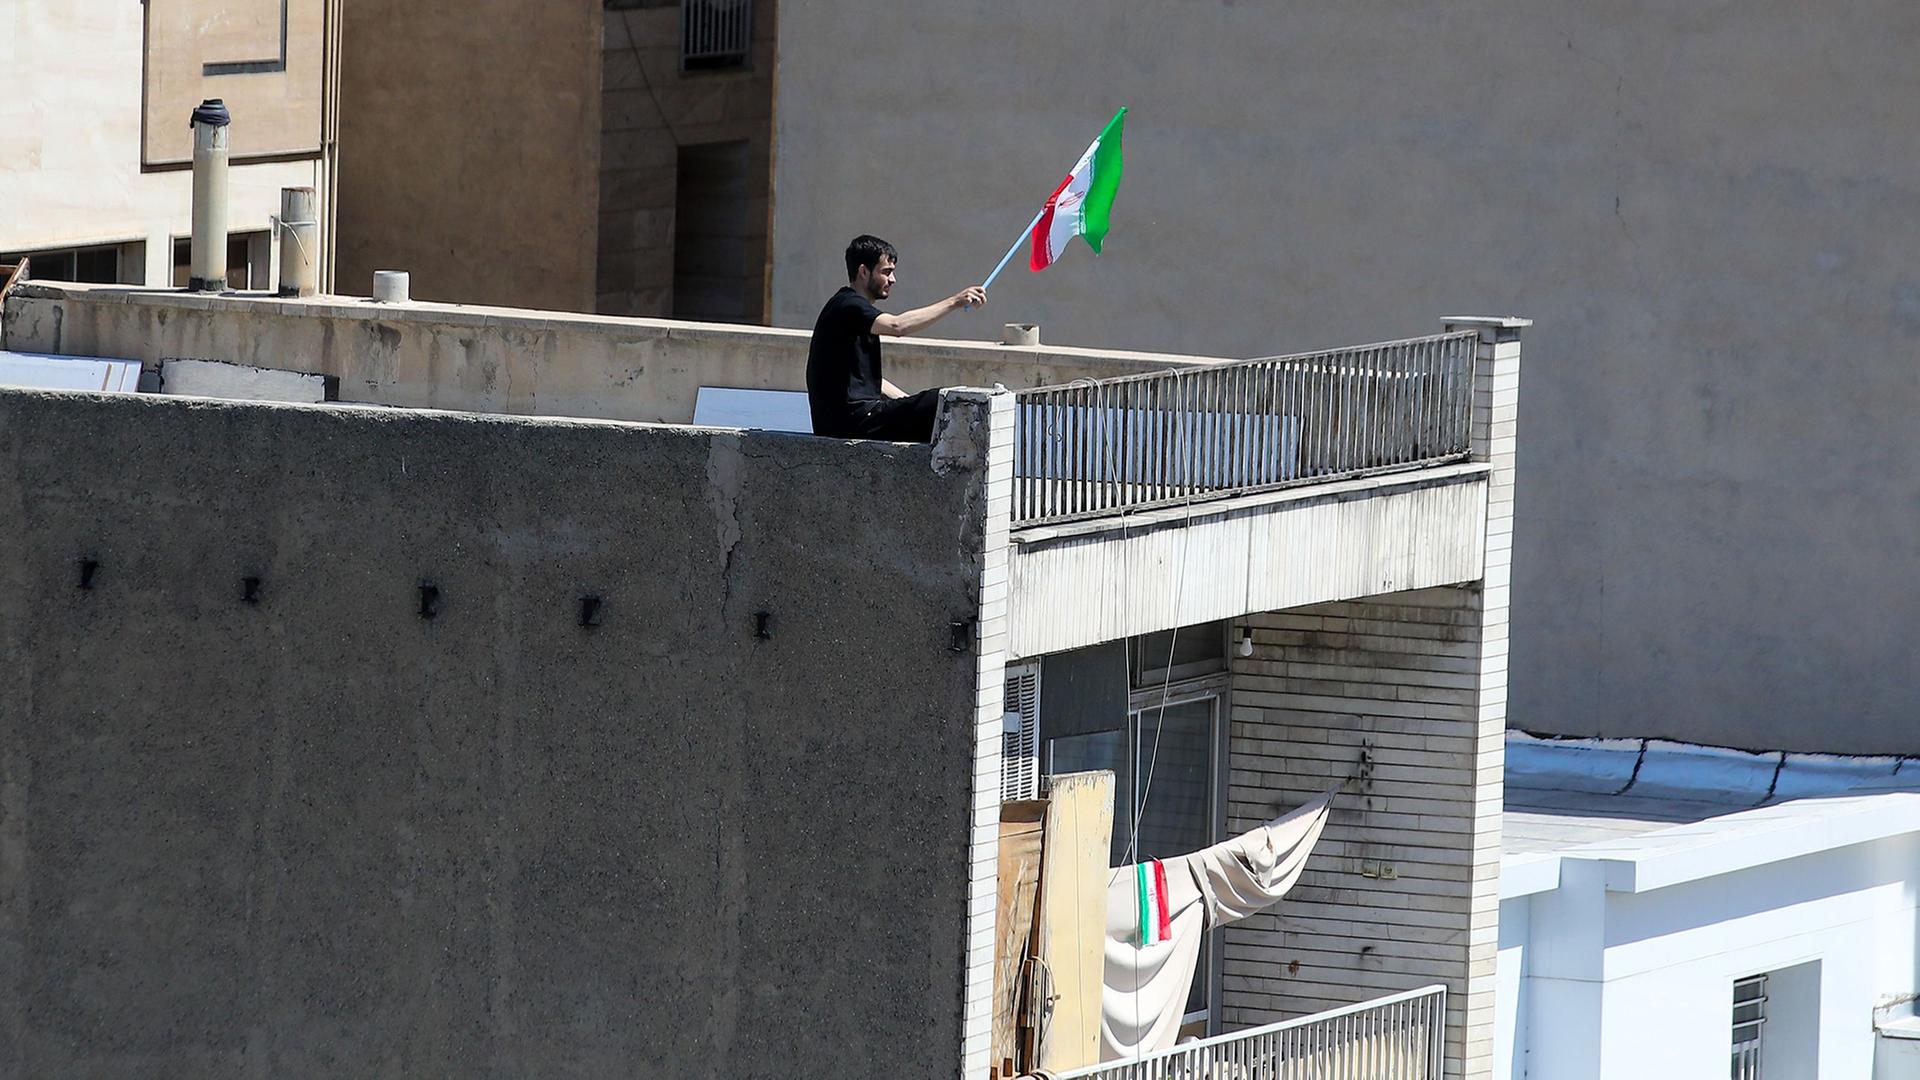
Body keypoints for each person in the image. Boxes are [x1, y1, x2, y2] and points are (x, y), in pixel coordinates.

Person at [806, 235, 987, 442]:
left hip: (854, 418)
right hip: (850, 422)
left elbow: (874, 383)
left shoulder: (851, 312)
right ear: (863, 272)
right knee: (947, 404)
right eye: (886, 272)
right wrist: (955, 301)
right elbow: (897, 326)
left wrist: (912, 404)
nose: (893, 280)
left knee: (944, 402)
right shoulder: (848, 305)